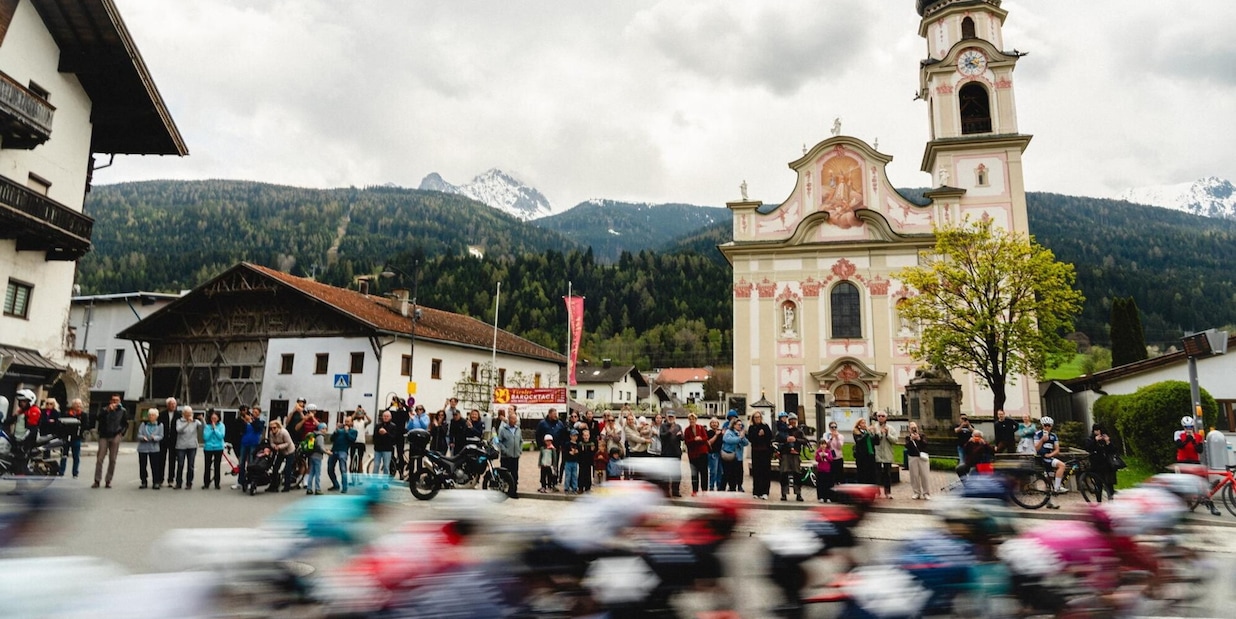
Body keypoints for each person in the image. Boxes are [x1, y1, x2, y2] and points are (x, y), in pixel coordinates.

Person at [93, 394, 127, 489]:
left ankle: (108, 480)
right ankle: (97, 480)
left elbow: (125, 424)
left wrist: (121, 434)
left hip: (115, 435)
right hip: (104, 435)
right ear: (110, 401)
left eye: (117, 400)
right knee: (100, 458)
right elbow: (98, 419)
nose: (115, 402)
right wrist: (108, 410)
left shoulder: (122, 411)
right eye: (113, 400)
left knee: (112, 459)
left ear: (120, 401)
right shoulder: (104, 410)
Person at [1034, 417, 1068, 493]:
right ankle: (1057, 488)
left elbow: (1057, 450)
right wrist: (1042, 440)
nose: (1047, 427)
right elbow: (1036, 448)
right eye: (1045, 425)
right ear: (1042, 425)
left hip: (1049, 457)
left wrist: (1050, 455)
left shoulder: (1053, 436)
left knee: (1049, 479)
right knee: (1062, 465)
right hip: (1041, 457)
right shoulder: (1038, 434)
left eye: (1049, 425)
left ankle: (1049, 500)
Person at [1085, 424, 1116, 502]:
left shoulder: (1106, 438)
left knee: (1109, 483)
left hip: (1107, 464)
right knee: (1098, 484)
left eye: (1099, 430)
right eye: (1096, 430)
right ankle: (1099, 500)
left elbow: (1113, 450)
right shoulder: (1090, 439)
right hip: (1096, 465)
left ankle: (1111, 499)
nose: (1098, 432)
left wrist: (1108, 442)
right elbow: (1088, 448)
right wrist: (1095, 440)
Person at [174, 405, 203, 489]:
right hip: (181, 446)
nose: (189, 415)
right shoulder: (179, 421)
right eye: (187, 414)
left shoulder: (195, 421)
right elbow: (179, 430)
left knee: (191, 465)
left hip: (192, 446)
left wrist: (202, 420)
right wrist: (187, 423)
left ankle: (189, 483)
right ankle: (178, 483)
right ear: (184, 414)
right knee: (180, 464)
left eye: (190, 413)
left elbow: (203, 428)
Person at [495, 410, 522, 498]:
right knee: (505, 475)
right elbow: (499, 442)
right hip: (506, 456)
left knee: (514, 475)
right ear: (509, 420)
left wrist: (520, 450)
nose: (514, 421)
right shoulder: (503, 430)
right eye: (513, 419)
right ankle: (503, 491)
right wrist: (504, 450)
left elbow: (521, 441)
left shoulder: (518, 430)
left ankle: (513, 492)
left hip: (515, 456)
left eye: (515, 419)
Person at [779, 413, 805, 502]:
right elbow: (777, 439)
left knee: (797, 474)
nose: (793, 422)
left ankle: (798, 493)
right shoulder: (784, 430)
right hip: (785, 454)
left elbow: (805, 441)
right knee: (784, 474)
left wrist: (796, 440)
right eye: (791, 420)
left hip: (796, 455)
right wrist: (786, 439)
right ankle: (784, 493)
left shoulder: (799, 431)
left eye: (794, 420)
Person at [872, 412, 898, 499]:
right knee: (877, 474)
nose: (881, 418)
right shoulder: (874, 427)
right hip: (877, 454)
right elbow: (872, 439)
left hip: (887, 454)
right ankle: (877, 492)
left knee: (887, 474)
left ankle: (888, 492)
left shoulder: (890, 428)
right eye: (879, 416)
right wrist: (879, 433)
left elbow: (895, 440)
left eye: (883, 416)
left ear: (886, 418)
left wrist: (887, 434)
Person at [328, 415, 358, 493]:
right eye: (345, 421)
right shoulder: (339, 430)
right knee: (330, 469)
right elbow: (331, 439)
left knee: (343, 469)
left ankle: (344, 487)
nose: (346, 423)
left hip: (343, 451)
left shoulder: (354, 431)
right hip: (334, 450)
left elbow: (352, 440)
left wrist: (347, 432)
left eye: (348, 421)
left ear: (352, 422)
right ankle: (335, 484)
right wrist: (335, 431)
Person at [136, 409, 164, 489]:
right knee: (142, 466)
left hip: (154, 448)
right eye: (150, 415)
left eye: (153, 415)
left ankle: (156, 482)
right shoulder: (143, 424)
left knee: (155, 466)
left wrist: (154, 437)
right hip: (143, 448)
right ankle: (144, 481)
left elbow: (161, 436)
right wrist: (142, 437)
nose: (151, 417)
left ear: (156, 416)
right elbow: (139, 434)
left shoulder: (160, 425)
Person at [683, 413, 710, 496]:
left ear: (696, 420)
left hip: (702, 453)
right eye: (690, 419)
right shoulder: (687, 430)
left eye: (693, 419)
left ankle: (704, 490)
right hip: (693, 454)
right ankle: (695, 490)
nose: (692, 421)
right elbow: (686, 441)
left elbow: (706, 438)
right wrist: (694, 440)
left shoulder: (700, 427)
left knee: (704, 472)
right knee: (694, 473)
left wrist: (700, 439)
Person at [59, 398, 86, 478]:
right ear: (73, 405)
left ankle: (75, 473)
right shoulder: (67, 413)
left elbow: (85, 425)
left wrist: (80, 432)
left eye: (79, 404)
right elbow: (62, 424)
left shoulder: (83, 415)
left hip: (76, 438)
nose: (78, 405)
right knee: (64, 455)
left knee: (76, 456)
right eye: (76, 404)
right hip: (66, 438)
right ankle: (61, 471)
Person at [238, 409, 264, 490]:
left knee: (251, 463)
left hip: (253, 444)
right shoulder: (247, 422)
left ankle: (250, 481)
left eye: (256, 412)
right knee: (242, 462)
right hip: (244, 443)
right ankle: (240, 481)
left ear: (259, 414)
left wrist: (252, 421)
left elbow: (258, 429)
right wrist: (244, 421)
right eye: (253, 412)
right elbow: (240, 430)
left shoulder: (260, 422)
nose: (254, 413)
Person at [659, 412, 684, 497]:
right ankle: (666, 492)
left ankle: (675, 491)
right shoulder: (663, 426)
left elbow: (682, 438)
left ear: (675, 417)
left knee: (677, 474)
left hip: (676, 453)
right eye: (669, 417)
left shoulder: (678, 426)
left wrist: (680, 435)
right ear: (666, 417)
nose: (671, 418)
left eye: (672, 417)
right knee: (666, 474)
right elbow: (662, 436)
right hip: (666, 453)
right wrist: (670, 431)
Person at [267, 419, 296, 492]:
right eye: (271, 428)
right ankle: (273, 486)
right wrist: (274, 446)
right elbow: (271, 442)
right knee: (275, 467)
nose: (273, 429)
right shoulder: (271, 433)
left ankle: (287, 486)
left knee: (287, 469)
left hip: (289, 451)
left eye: (274, 427)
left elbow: (288, 443)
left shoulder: (284, 432)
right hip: (281, 451)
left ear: (278, 427)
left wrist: (279, 446)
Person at [721, 417, 749, 491]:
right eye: (738, 424)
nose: (740, 426)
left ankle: (740, 486)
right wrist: (740, 438)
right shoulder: (728, 432)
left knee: (740, 472)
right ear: (734, 425)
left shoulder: (740, 433)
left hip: (738, 456)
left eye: (741, 425)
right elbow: (729, 440)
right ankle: (731, 487)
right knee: (730, 473)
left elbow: (746, 443)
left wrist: (742, 437)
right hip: (730, 456)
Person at [157, 397, 179, 487]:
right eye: (171, 404)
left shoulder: (178, 415)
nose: (173, 406)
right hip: (163, 439)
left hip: (174, 440)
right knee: (161, 459)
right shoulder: (162, 414)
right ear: (167, 405)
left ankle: (171, 479)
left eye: (174, 404)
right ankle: (160, 479)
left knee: (172, 460)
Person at [905, 422, 930, 500]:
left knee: (925, 476)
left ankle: (926, 493)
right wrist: (911, 440)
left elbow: (925, 444)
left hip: (923, 458)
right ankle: (916, 492)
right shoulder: (908, 438)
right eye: (912, 428)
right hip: (913, 458)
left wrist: (919, 439)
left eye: (915, 427)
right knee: (914, 476)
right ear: (909, 429)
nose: (913, 429)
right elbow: (907, 446)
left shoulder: (922, 436)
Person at [386, 397, 411, 478]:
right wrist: (391, 404)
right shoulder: (394, 412)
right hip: (393, 434)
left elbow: (408, 410)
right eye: (399, 404)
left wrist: (403, 405)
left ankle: (401, 472)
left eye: (401, 404)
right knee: (391, 453)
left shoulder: (404, 413)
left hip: (400, 435)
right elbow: (387, 411)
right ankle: (392, 470)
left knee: (400, 453)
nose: (399, 405)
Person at [202, 410, 226, 490]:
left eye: (215, 418)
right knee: (207, 466)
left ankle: (217, 483)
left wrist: (215, 429)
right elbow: (205, 437)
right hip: (208, 448)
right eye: (212, 418)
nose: (214, 420)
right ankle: (206, 483)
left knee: (217, 466)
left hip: (218, 447)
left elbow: (221, 436)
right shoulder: (207, 426)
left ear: (218, 418)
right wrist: (211, 430)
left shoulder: (221, 426)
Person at [405, 404, 430, 474]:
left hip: (421, 440)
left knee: (419, 459)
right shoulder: (413, 417)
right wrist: (412, 420)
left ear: (423, 410)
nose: (419, 411)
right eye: (417, 409)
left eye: (420, 409)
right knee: (411, 459)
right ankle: (411, 475)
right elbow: (408, 428)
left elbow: (425, 426)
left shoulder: (426, 417)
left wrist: (420, 418)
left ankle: (418, 475)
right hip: (413, 439)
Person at [372, 410, 397, 478]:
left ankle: (385, 482)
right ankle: (374, 481)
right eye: (384, 416)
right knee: (376, 465)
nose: (385, 418)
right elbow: (374, 437)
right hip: (378, 449)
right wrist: (379, 434)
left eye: (387, 416)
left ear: (390, 417)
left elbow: (393, 438)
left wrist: (386, 433)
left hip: (387, 449)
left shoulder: (393, 426)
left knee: (386, 466)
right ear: (382, 417)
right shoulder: (378, 426)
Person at [852, 418, 876, 485]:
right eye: (862, 423)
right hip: (861, 456)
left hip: (870, 454)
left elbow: (875, 442)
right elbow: (859, 441)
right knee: (862, 473)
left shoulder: (867, 432)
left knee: (871, 473)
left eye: (865, 423)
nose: (864, 424)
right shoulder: (856, 432)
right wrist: (867, 434)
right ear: (858, 425)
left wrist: (874, 433)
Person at [822, 421, 846, 489]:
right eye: (832, 427)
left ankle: (840, 487)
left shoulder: (840, 436)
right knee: (831, 475)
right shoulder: (826, 435)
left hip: (838, 457)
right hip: (830, 457)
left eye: (835, 427)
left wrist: (837, 438)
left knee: (839, 474)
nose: (834, 429)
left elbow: (839, 447)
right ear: (829, 428)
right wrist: (831, 438)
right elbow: (826, 445)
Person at [305, 424, 327, 495]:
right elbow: (320, 447)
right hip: (318, 456)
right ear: (321, 429)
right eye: (324, 428)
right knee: (318, 473)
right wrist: (327, 452)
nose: (325, 430)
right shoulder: (320, 436)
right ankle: (317, 489)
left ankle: (309, 488)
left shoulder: (314, 435)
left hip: (312, 455)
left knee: (311, 473)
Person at [350, 405, 370, 480]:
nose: (359, 415)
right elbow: (350, 419)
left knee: (360, 459)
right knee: (352, 459)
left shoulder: (363, 422)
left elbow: (370, 421)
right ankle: (351, 473)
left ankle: (360, 474)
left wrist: (365, 414)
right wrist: (355, 412)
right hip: (354, 441)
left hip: (361, 442)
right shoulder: (353, 422)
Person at [578, 428, 598, 494]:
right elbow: (579, 453)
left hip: (588, 462)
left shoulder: (592, 443)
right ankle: (580, 488)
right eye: (585, 435)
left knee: (588, 475)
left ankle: (587, 488)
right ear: (583, 436)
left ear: (589, 436)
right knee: (581, 475)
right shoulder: (580, 443)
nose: (586, 437)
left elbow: (594, 452)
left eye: (587, 435)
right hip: (582, 461)